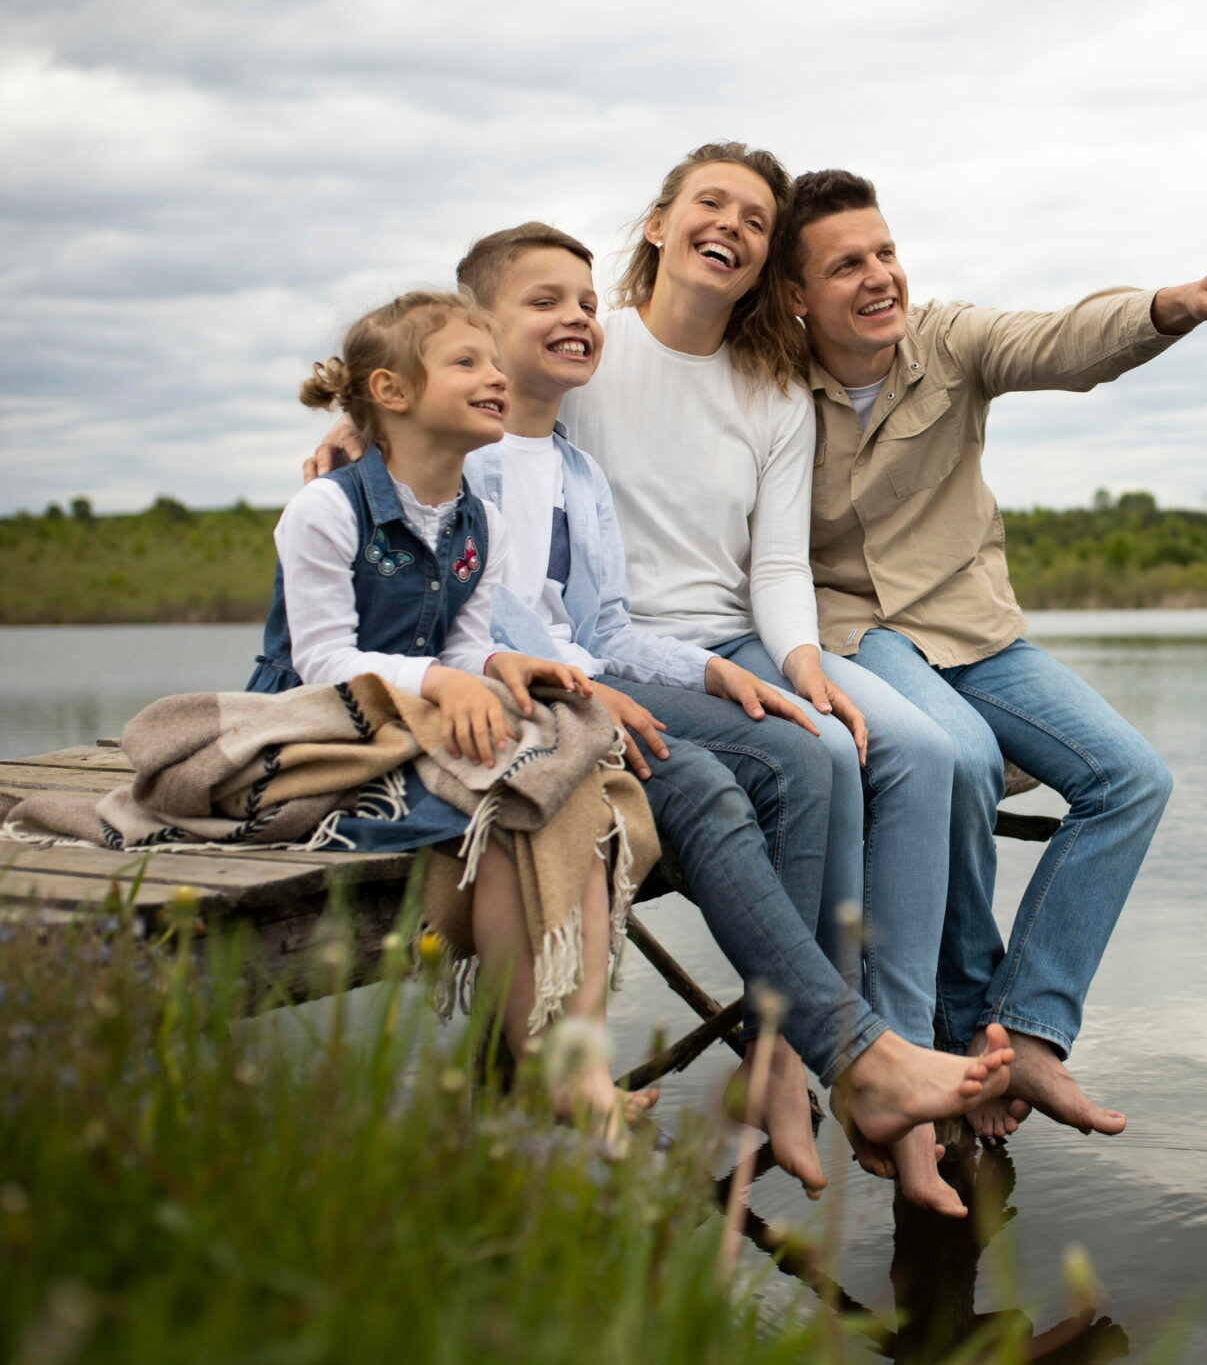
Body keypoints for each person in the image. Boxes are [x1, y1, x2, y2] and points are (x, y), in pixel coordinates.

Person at [307, 222, 1015, 1201]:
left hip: (575, 688)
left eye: (589, 305)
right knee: (705, 786)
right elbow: (446, 624)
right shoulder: (437, 460)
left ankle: (790, 1054)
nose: (579, 319)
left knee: (808, 747)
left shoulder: (577, 473)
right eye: (547, 302)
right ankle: (858, 1055)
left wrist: (713, 671)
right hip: (482, 709)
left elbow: (601, 624)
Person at [781, 168, 1207, 1141]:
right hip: (855, 634)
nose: (878, 277)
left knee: (1130, 778)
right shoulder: (768, 386)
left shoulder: (944, 342)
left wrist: (1168, 308)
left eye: (885, 251)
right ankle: (953, 1034)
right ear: (795, 294)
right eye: (846, 264)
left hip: (972, 631)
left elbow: (1063, 341)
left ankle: (1024, 1026)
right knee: (960, 761)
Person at [556, 142, 973, 1214]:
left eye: (754, 219)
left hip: (733, 641)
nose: (732, 226)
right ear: (658, 224)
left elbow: (777, 566)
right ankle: (801, 1059)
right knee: (806, 754)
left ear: (761, 265)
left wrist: (800, 665)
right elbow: (458, 398)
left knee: (844, 735)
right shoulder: (582, 351)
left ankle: (814, 1055)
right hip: (604, 652)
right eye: (711, 204)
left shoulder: (771, 388)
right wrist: (351, 428)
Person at [254, 287, 651, 1139]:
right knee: (510, 799)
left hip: (425, 723)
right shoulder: (328, 509)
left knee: (558, 793)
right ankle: (547, 1060)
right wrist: (441, 680)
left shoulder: (482, 520)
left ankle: (571, 1056)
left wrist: (501, 663)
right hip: (322, 724)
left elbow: (467, 641)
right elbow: (321, 660)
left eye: (493, 364)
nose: (493, 376)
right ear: (392, 393)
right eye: (467, 362)